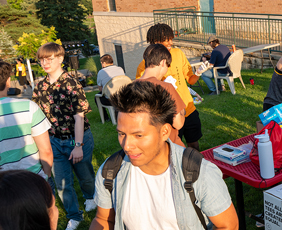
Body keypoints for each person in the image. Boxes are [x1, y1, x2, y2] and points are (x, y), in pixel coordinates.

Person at [90, 80, 238, 230]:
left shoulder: (200, 174)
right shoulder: (110, 172)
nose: (127, 145)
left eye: (139, 135)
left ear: (164, 132)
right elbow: (104, 219)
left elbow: (228, 226)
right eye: (122, 134)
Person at [32, 42, 96, 230]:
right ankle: (74, 217)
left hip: (78, 138)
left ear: (60, 59)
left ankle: (91, 198)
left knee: (85, 176)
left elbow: (79, 118)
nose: (44, 63)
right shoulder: (40, 87)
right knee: (62, 183)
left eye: (49, 59)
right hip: (54, 142)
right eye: (42, 59)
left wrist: (78, 146)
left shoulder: (72, 83)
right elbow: (36, 118)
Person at [136, 23, 202, 150]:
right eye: (166, 42)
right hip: (169, 116)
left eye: (171, 39)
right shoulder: (145, 65)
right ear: (155, 42)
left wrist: (198, 72)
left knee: (193, 145)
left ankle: (196, 166)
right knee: (175, 148)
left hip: (188, 109)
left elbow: (191, 80)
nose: (170, 43)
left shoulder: (178, 53)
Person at [0, 60, 53, 181]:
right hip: (34, 180)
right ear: (8, 81)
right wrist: (47, 177)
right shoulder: (29, 107)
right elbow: (46, 151)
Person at [137, 44, 187, 147]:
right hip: (168, 148)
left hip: (144, 146)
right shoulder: (166, 87)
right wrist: (182, 110)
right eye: (168, 66)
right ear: (163, 62)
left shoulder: (130, 87)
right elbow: (178, 123)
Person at [95, 54, 126, 120]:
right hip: (123, 97)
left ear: (103, 63)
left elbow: (101, 90)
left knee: (97, 97)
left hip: (110, 99)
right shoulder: (120, 69)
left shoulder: (101, 72)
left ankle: (106, 118)